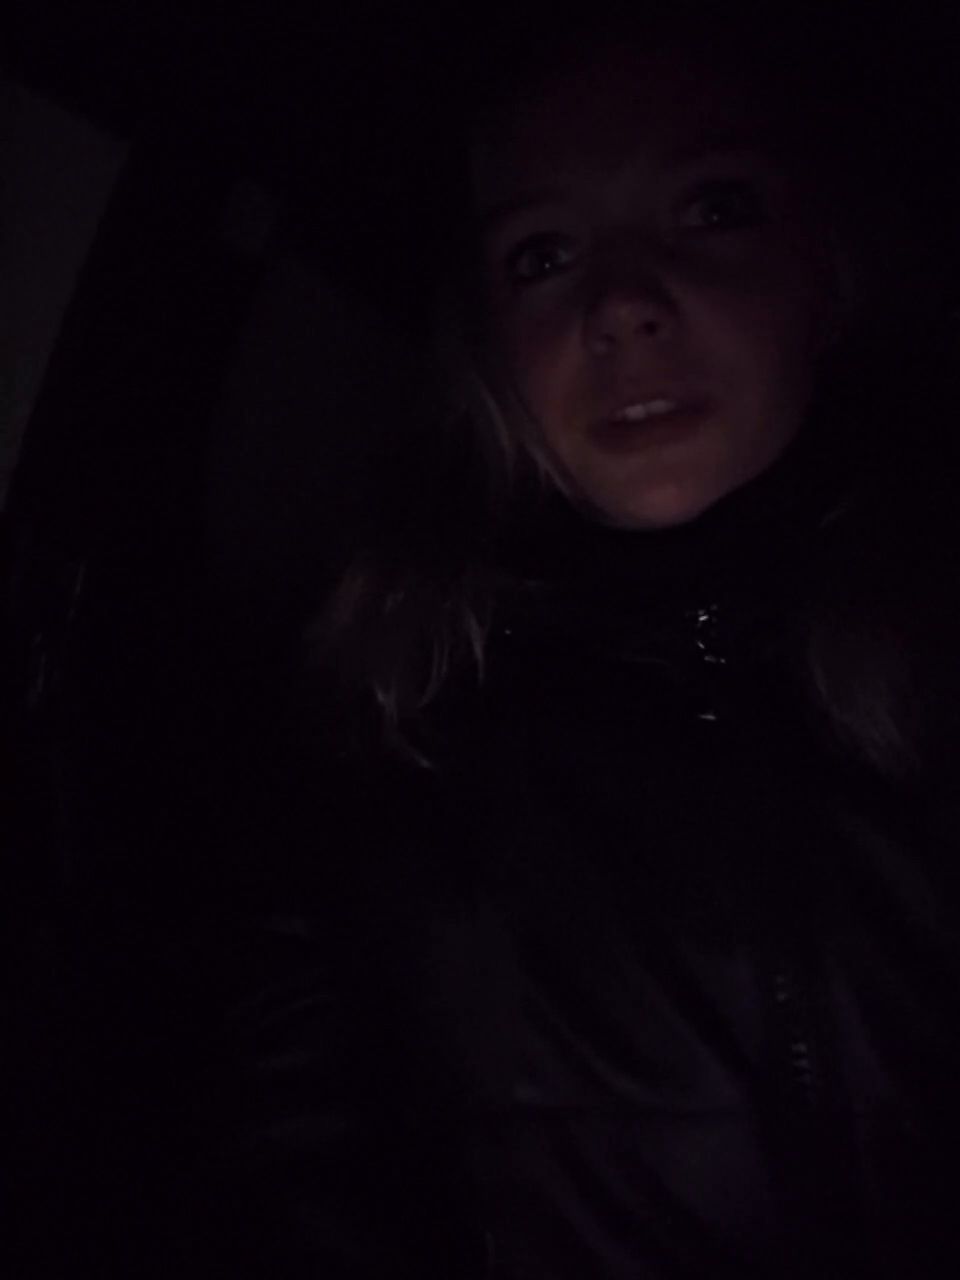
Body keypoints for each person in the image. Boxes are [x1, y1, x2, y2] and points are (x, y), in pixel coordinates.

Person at [201, 3, 960, 1276]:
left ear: (825, 268)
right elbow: (308, 1168)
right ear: (490, 342)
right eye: (543, 254)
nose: (622, 304)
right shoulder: (388, 732)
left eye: (713, 208)